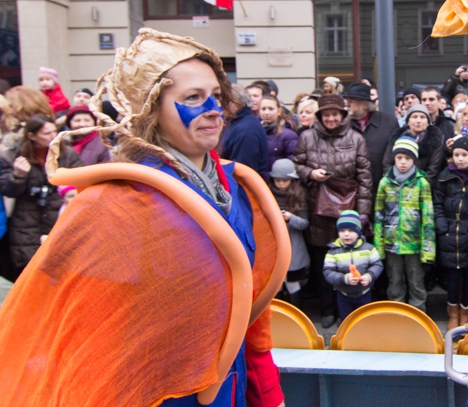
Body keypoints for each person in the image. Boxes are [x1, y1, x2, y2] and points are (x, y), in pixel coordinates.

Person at [0, 29, 288, 407]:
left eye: (216, 95)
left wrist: (267, 392)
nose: (213, 109)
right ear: (150, 109)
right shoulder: (115, 202)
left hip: (225, 390)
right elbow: (91, 338)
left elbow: (250, 312)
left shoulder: (236, 187)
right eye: (193, 98)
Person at [293, 93, 372, 329]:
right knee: (323, 262)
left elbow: (365, 177)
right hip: (318, 207)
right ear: (320, 116)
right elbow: (296, 164)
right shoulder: (306, 137)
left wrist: (363, 213)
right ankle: (327, 310)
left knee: (350, 260)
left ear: (342, 115)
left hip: (348, 209)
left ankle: (348, 310)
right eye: (326, 114)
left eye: (334, 114)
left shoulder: (356, 138)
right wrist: (310, 173)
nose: (330, 118)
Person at [0, 114, 83, 280]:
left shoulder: (67, 154)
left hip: (58, 217)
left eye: (55, 131)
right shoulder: (11, 156)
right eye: (47, 133)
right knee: (29, 271)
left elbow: (80, 180)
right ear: (31, 135)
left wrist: (68, 190)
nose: (53, 137)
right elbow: (7, 190)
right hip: (25, 222)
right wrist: (18, 176)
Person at [373, 137, 435, 312]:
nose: (402, 162)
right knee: (395, 283)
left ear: (413, 160)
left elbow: (428, 218)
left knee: (416, 283)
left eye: (407, 158)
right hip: (392, 244)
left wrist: (428, 250)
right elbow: (379, 216)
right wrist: (379, 247)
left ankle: (418, 317)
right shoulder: (385, 183)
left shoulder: (421, 183)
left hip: (414, 245)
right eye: (399, 157)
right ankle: (398, 317)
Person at [434, 137, 468, 330]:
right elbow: (438, 204)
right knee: (453, 279)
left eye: (464, 155)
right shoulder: (445, 176)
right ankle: (453, 314)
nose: (460, 159)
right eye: (456, 155)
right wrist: (442, 227)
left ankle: (466, 312)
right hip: (450, 236)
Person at [323, 210, 383, 320]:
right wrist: (344, 278)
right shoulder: (333, 251)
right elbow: (327, 272)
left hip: (364, 293)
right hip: (343, 294)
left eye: (351, 230)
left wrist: (369, 276)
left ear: (358, 232)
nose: (346, 234)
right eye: (342, 230)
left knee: (364, 319)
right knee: (346, 320)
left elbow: (377, 265)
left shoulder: (368, 249)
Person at [268, 158, 309, 309]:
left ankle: (296, 312)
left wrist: (290, 218)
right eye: (278, 180)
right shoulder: (267, 193)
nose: (281, 184)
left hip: (293, 245)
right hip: (272, 244)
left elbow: (304, 223)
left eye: (285, 181)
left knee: (292, 282)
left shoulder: (299, 195)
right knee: (275, 284)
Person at [345, 82, 397, 201]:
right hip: (352, 191)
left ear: (364, 104)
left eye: (352, 101)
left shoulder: (388, 122)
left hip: (382, 188)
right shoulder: (343, 124)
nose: (347, 104)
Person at [381, 104, 444, 184]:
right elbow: (387, 163)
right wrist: (394, 183)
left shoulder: (435, 140)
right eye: (414, 117)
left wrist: (419, 186)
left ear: (428, 122)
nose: (418, 121)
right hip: (396, 186)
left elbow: (433, 168)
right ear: (408, 121)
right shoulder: (396, 138)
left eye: (422, 117)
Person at [220, 85, 270, 183]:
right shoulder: (238, 123)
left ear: (236, 105)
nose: (220, 106)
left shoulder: (246, 129)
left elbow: (243, 171)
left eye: (224, 102)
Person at [260, 95, 298, 172]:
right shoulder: (256, 132)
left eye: (271, 109)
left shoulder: (288, 135)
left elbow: (293, 161)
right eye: (263, 109)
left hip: (278, 181)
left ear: (279, 111)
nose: (266, 112)